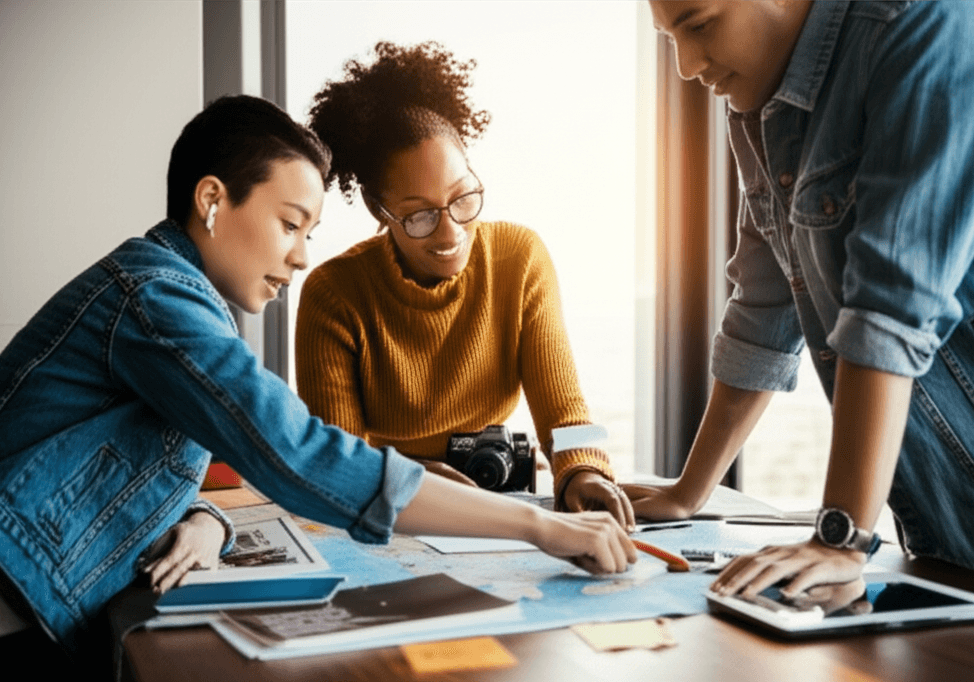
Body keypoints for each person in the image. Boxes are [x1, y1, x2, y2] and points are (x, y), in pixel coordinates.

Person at [0, 95, 636, 664]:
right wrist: (540, 526)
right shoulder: (157, 300)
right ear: (213, 201)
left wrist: (205, 519)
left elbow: (150, 461)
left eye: (310, 232)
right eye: (289, 223)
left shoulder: (168, 295)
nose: (302, 256)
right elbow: (301, 452)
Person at [626, 0, 974, 602]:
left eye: (699, 24)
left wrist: (839, 537)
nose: (684, 65)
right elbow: (762, 312)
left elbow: (891, 307)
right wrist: (688, 492)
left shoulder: (936, 24)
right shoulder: (759, 104)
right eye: (668, 38)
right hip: (957, 550)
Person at [296, 41, 635, 528]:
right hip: (391, 506)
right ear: (379, 210)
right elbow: (338, 460)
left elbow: (564, 411)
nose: (451, 232)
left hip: (498, 501)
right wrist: (410, 479)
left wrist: (582, 470)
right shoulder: (334, 294)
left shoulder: (519, 258)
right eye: (419, 216)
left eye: (463, 197)